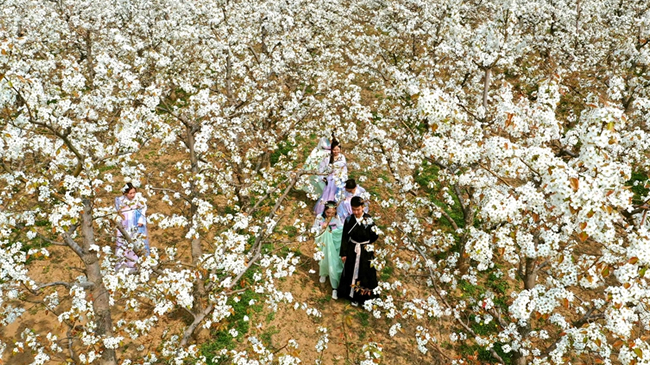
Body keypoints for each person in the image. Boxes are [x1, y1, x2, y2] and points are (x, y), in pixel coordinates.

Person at [337, 197, 379, 306]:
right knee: (350, 270)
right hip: (352, 249)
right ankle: (350, 295)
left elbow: (375, 235)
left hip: (365, 251)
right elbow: (345, 237)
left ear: (363, 208)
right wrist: (344, 253)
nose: (356, 212)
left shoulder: (369, 220)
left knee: (364, 272)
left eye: (358, 209)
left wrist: (367, 243)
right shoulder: (349, 220)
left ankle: (362, 298)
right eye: (353, 209)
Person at [312, 201, 344, 299]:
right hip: (323, 243)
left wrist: (332, 230)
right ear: (324, 210)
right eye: (328, 212)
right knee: (323, 259)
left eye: (332, 213)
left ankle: (334, 284)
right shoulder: (319, 218)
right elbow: (313, 229)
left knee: (333, 261)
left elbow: (341, 229)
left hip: (333, 244)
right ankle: (323, 273)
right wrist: (322, 227)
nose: (330, 215)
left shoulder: (337, 218)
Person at [115, 183, 149, 270]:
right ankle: (124, 264)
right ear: (125, 193)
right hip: (125, 224)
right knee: (124, 243)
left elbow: (143, 208)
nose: (133, 195)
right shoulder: (120, 200)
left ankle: (138, 264)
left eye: (134, 192)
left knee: (137, 242)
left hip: (135, 223)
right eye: (130, 193)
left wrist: (141, 219)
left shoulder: (138, 199)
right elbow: (117, 212)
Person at [314, 135, 347, 215]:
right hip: (330, 179)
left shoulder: (342, 157)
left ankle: (336, 212)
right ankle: (325, 211)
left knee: (338, 195)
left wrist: (343, 178)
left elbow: (344, 169)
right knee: (328, 195)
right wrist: (323, 177)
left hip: (339, 179)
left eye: (338, 150)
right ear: (331, 150)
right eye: (334, 150)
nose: (336, 151)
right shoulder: (327, 158)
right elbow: (321, 168)